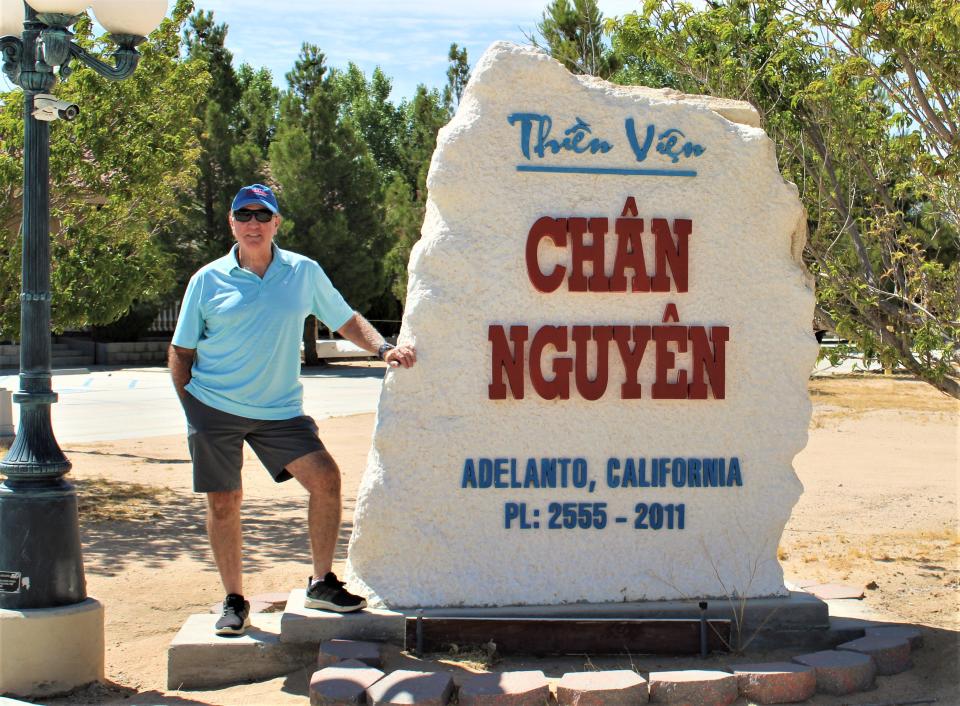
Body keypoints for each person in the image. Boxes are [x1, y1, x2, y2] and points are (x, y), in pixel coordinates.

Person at [169, 184, 416, 636]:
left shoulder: (303, 272)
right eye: (244, 215)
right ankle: (233, 600)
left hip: (279, 411)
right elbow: (181, 350)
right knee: (224, 502)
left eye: (263, 215)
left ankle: (321, 582)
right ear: (232, 223)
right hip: (214, 408)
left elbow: (344, 317)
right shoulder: (207, 279)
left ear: (277, 223)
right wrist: (193, 409)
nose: (253, 224)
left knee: (326, 478)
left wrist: (383, 348)